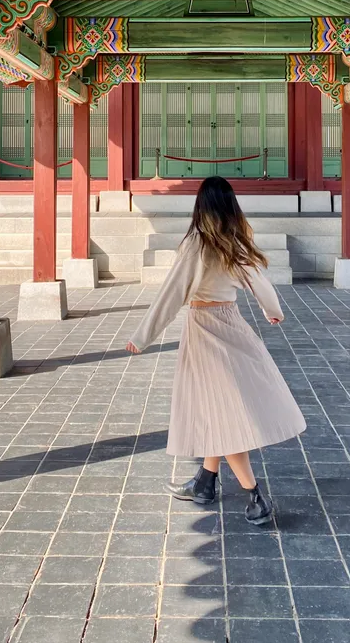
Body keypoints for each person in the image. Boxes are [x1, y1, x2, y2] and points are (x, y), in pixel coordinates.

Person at [125, 176, 306, 525]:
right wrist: (273, 310)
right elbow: (259, 282)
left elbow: (172, 294)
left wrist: (142, 336)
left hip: (205, 328)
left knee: (222, 415)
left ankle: (255, 496)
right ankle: (205, 483)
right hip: (233, 322)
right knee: (216, 408)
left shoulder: (197, 242)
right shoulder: (234, 241)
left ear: (201, 205)